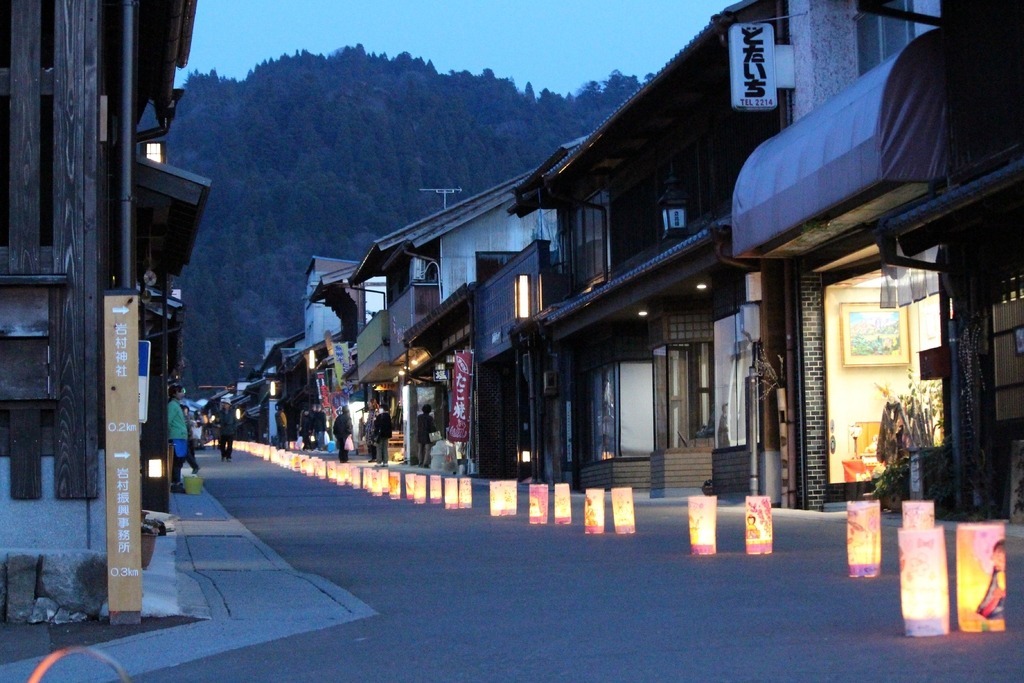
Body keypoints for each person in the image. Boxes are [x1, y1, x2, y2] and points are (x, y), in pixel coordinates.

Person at [167, 384, 189, 492]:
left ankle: (177, 482)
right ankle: (175, 482)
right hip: (176, 436)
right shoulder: (172, 405)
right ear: (174, 393)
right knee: (176, 460)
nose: (183, 393)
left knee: (179, 460)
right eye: (180, 391)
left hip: (179, 436)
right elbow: (168, 421)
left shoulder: (176, 405)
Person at [372, 399, 392, 466]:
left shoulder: (380, 416)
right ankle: (385, 462)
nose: (379, 409)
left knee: (379, 448)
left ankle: (379, 462)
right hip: (386, 435)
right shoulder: (388, 416)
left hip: (380, 434)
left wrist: (375, 419)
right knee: (385, 448)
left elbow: (376, 425)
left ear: (382, 409)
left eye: (380, 408)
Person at [415, 404, 436, 469]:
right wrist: (436, 435)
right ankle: (425, 463)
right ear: (429, 410)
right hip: (427, 435)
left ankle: (420, 462)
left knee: (420, 449)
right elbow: (432, 427)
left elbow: (416, 426)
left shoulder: (419, 417)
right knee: (428, 450)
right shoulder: (430, 418)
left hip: (420, 434)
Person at [182, 406, 200, 474]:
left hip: (185, 435)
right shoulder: (186, 418)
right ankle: (194, 465)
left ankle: (194, 465)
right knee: (187, 451)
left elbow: (188, 425)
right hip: (185, 435)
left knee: (186, 451)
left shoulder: (186, 418)